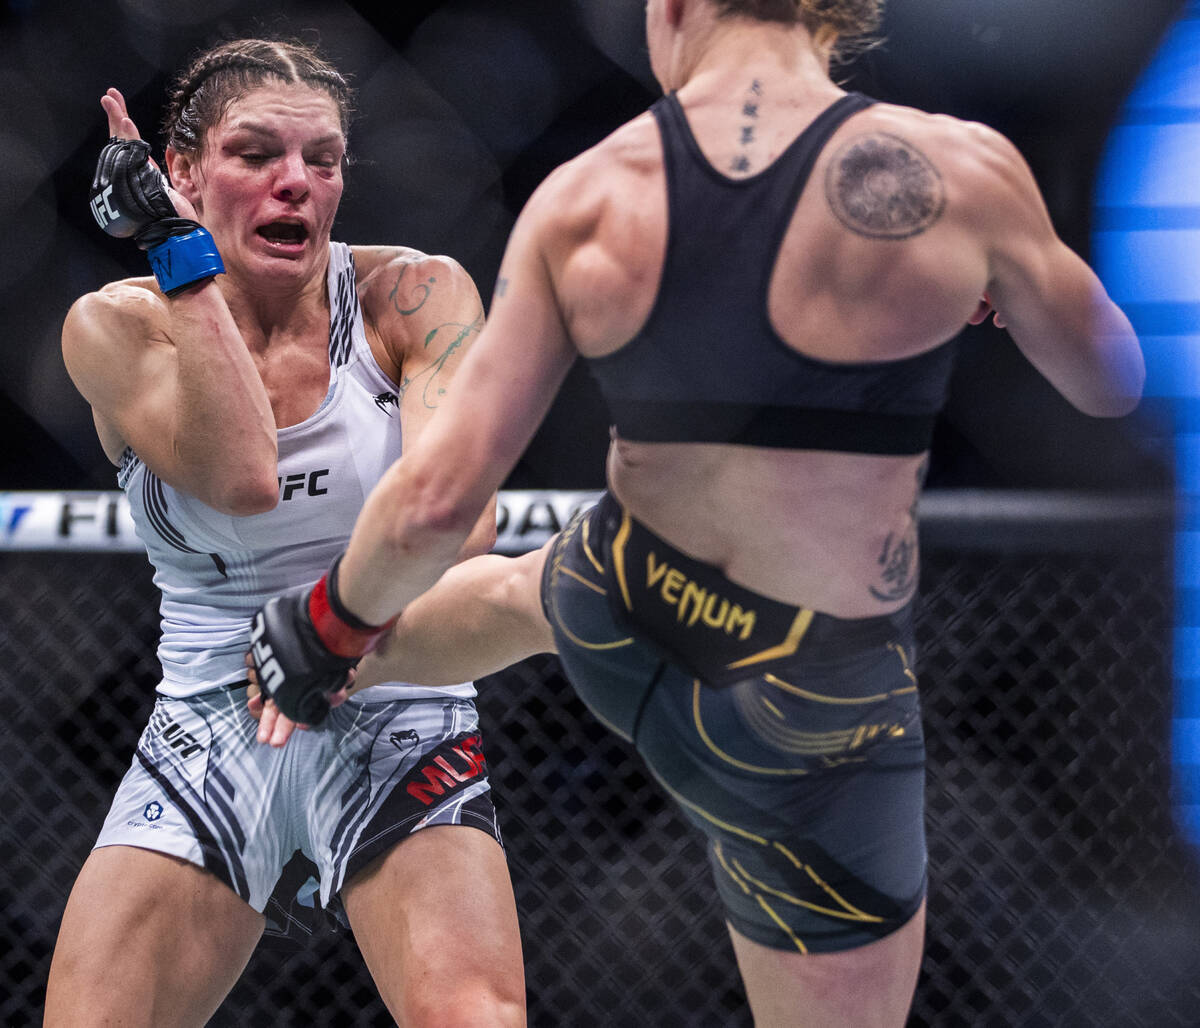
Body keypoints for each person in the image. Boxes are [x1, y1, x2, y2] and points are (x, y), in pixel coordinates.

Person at [248, 1, 1145, 1024]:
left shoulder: (588, 192)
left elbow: (439, 497)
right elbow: (1109, 381)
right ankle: (311, 676)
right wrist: (1005, 286)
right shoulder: (956, 174)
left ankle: (289, 681)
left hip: (629, 591)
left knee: (508, 591)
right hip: (809, 688)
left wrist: (331, 618)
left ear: (671, 9)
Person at [44, 38, 525, 1028]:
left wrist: (331, 624)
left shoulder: (413, 295)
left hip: (394, 693)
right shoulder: (114, 326)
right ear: (178, 172)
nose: (297, 183)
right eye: (257, 153)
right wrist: (181, 257)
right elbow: (242, 477)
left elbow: (463, 516)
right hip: (211, 717)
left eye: (325, 160)